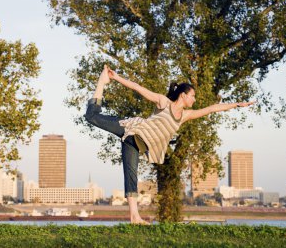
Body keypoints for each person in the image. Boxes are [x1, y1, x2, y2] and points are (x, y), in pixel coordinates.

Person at [85, 65, 254, 224]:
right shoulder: (163, 102)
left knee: (131, 177)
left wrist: (236, 105)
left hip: (136, 145)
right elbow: (137, 87)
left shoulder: (185, 116)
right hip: (130, 129)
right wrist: (117, 78)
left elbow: (211, 109)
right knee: (92, 117)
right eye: (193, 96)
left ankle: (134, 217)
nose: (195, 100)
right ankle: (102, 81)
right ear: (183, 95)